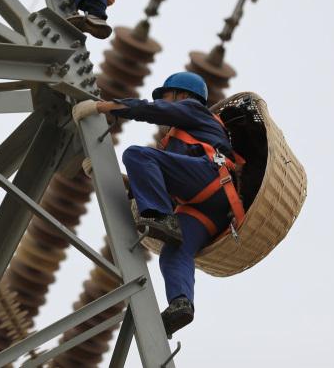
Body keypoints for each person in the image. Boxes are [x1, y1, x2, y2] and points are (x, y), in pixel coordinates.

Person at [71, 72, 246, 337]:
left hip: (210, 179)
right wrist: (115, 179)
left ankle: (163, 218)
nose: (165, 100)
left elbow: (153, 111)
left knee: (136, 154)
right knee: (175, 251)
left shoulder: (193, 110)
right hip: (210, 209)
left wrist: (101, 107)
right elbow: (158, 183)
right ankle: (181, 303)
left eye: (167, 95)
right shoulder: (182, 140)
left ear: (182, 96)